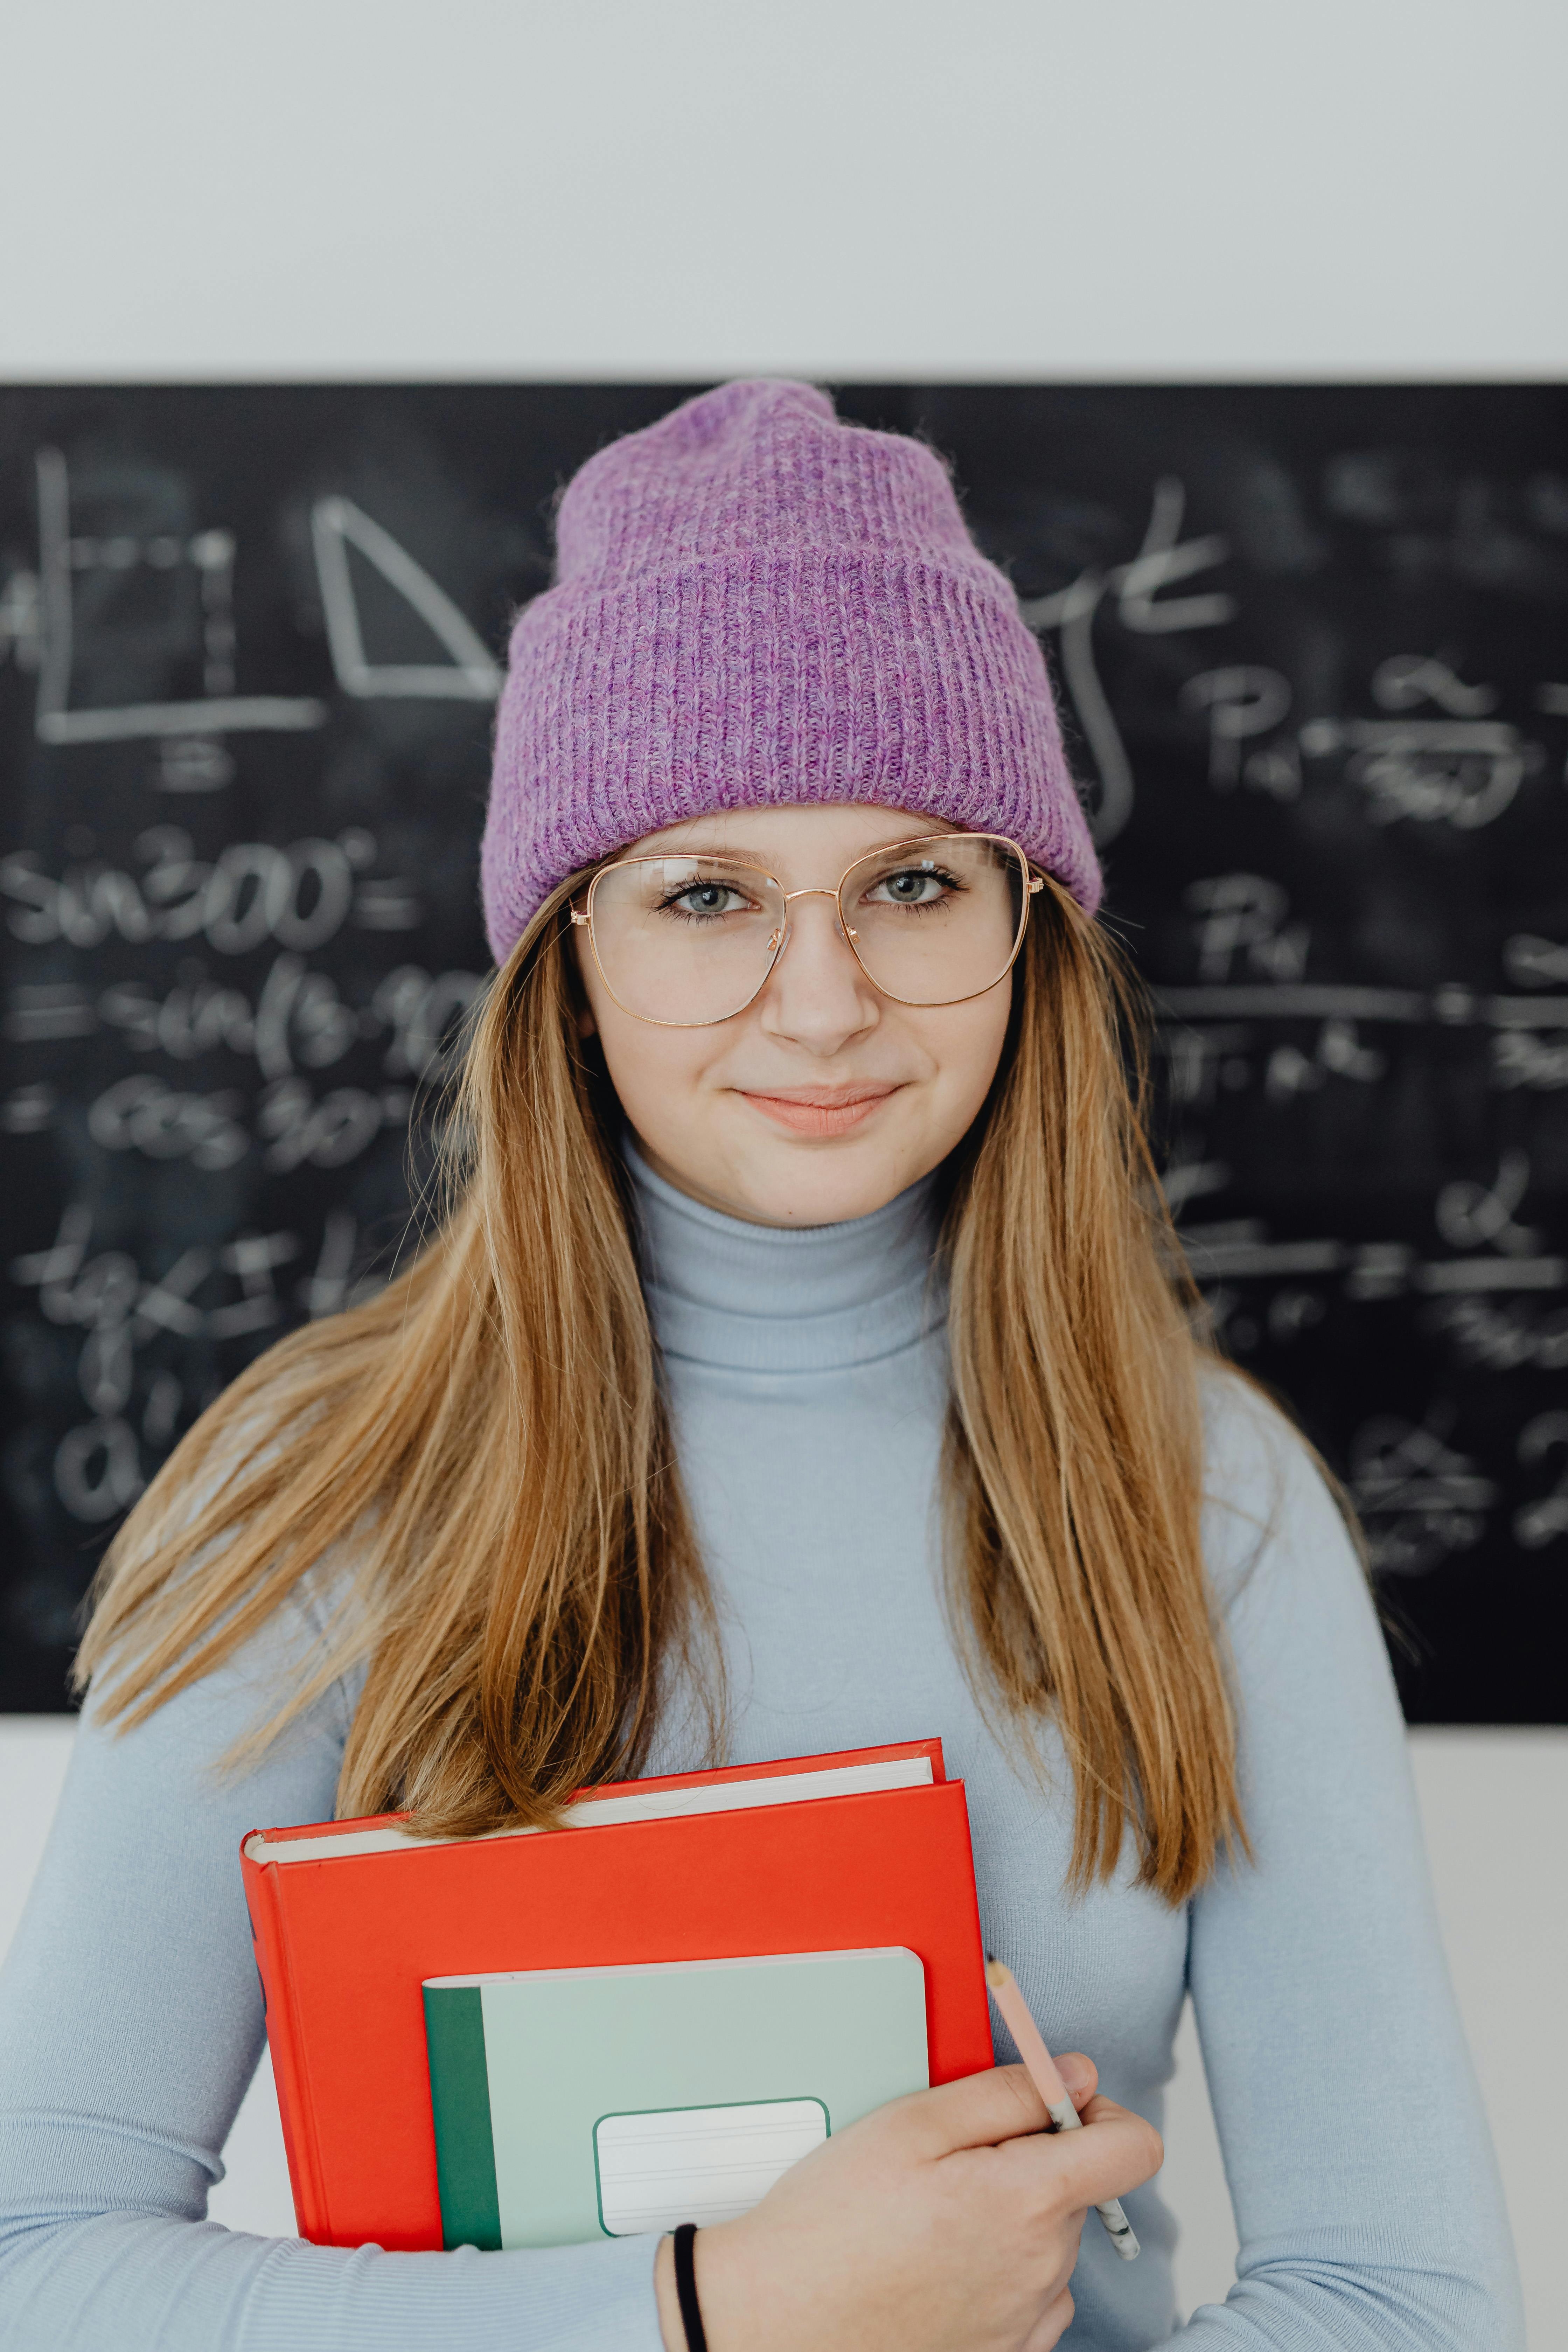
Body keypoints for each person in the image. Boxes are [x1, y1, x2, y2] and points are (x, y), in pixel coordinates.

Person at [0, 381, 1522, 2352]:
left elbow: (1412, 2305)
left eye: (914, 882)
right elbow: (35, 2263)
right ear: (572, 953)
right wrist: (707, 2312)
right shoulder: (315, 1487)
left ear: (1029, 926)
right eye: (706, 895)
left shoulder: (1206, 1496)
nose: (824, 1002)